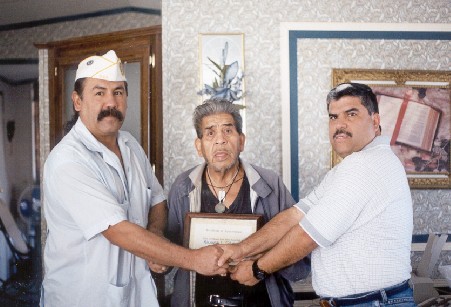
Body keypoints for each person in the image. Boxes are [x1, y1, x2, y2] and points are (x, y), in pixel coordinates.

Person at [40, 50, 227, 307]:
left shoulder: (129, 144)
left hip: (136, 293)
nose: (111, 102)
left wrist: (155, 232)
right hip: (84, 296)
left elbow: (157, 200)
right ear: (77, 101)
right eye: (99, 92)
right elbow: (118, 231)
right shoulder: (67, 161)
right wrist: (194, 260)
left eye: (118, 92)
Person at [218, 83, 416, 306]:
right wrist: (240, 249)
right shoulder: (348, 168)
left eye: (351, 114)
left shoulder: (364, 166)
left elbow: (306, 236)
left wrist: (256, 270)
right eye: (333, 117)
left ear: (375, 120)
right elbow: (295, 215)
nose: (339, 125)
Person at [166, 99, 311, 307]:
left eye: (228, 131)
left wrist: (261, 260)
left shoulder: (269, 183)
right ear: (199, 146)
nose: (220, 141)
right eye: (210, 133)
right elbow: (171, 253)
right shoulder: (183, 187)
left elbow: (300, 265)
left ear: (241, 141)